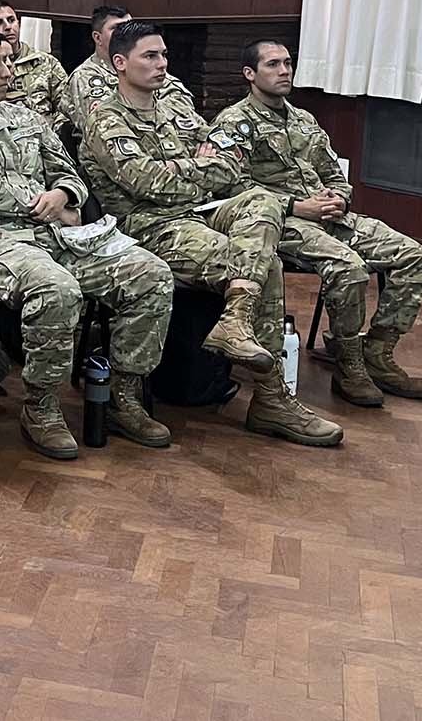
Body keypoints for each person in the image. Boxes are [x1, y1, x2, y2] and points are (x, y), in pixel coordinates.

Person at [84, 22, 344, 448]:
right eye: (150, 56)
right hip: (146, 227)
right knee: (269, 263)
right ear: (120, 62)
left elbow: (231, 157)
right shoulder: (105, 118)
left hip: (195, 215)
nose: (162, 64)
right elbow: (148, 184)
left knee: (262, 200)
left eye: (164, 54)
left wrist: (186, 170)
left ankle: (236, 324)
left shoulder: (173, 110)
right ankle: (270, 398)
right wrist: (197, 168)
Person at [0, 29, 175, 457]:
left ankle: (121, 396)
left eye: (9, 61)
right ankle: (41, 406)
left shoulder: (27, 119)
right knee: (56, 289)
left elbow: (70, 174)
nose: (8, 71)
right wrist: (50, 204)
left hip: (56, 237)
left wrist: (64, 196)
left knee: (150, 274)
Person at [214, 40, 422, 408]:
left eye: (287, 63)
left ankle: (377, 353)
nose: (285, 71)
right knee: (350, 268)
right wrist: (297, 205)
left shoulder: (304, 120)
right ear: (250, 74)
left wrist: (339, 198)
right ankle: (348, 364)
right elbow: (230, 187)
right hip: (281, 222)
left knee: (415, 256)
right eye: (273, 65)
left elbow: (334, 173)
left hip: (332, 216)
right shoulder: (234, 123)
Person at [69, 5, 188, 128]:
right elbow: (105, 122)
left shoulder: (151, 69)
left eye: (129, 25)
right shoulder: (85, 76)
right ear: (98, 37)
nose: (126, 32)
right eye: (117, 28)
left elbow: (184, 110)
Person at [0, 0, 72, 130]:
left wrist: (51, 131)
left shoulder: (45, 62)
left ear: (18, 24)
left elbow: (68, 106)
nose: (8, 27)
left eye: (11, 20)